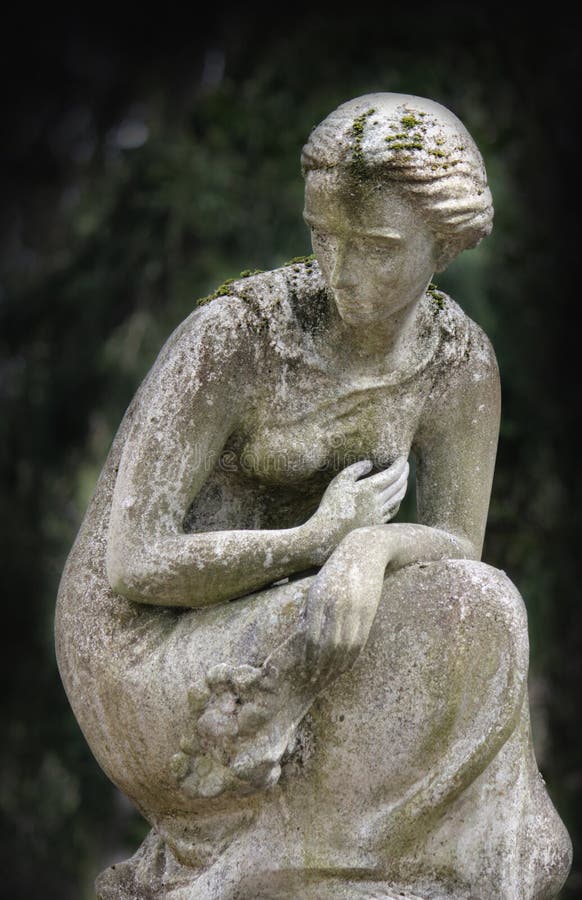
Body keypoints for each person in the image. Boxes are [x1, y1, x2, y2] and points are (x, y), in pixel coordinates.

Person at [56, 93, 572, 899]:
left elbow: (456, 546)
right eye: (321, 235)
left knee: (488, 609)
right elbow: (133, 563)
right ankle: (267, 870)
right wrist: (316, 539)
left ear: (444, 243)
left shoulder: (459, 362)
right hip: (147, 651)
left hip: (308, 609)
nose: (339, 270)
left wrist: (370, 548)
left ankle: (337, 866)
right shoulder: (237, 338)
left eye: (374, 246)